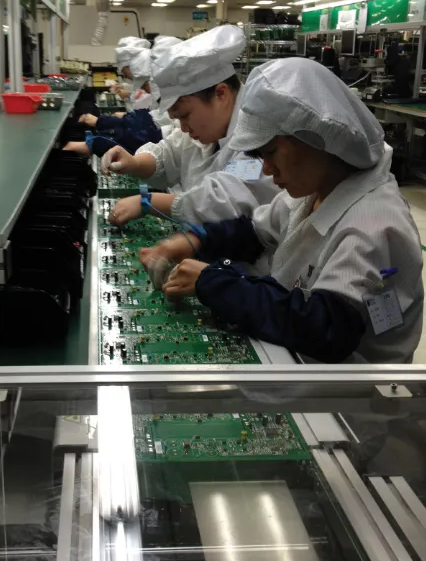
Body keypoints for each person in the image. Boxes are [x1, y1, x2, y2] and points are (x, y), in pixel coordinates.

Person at [140, 57, 423, 364]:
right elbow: (256, 229)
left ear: (317, 138)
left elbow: (326, 328)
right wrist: (192, 240)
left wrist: (214, 282)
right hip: (298, 358)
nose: (265, 167)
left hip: (354, 396)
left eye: (271, 152)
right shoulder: (315, 190)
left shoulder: (372, 224)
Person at [101, 25, 279, 226]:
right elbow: (170, 152)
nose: (182, 127)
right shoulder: (208, 128)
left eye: (185, 115)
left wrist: (149, 202)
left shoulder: (258, 141)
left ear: (221, 94)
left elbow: (224, 198)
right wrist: (135, 163)